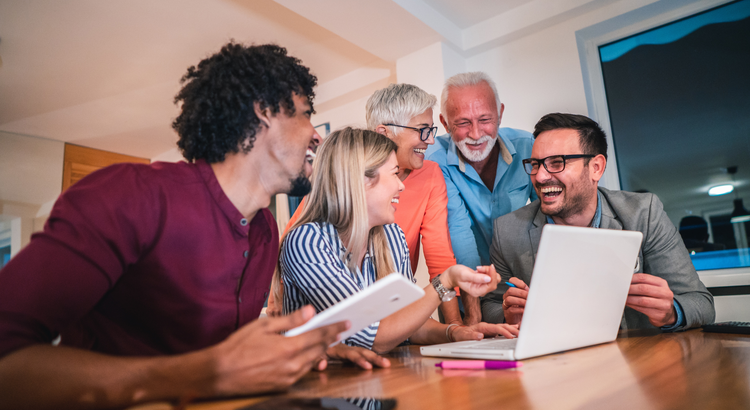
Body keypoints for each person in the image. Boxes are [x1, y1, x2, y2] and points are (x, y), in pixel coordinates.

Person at [0, 43, 350, 409]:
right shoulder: (131, 195)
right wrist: (200, 373)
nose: (317, 135)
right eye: (307, 114)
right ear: (264, 111)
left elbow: (228, 358)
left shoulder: (264, 229)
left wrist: (300, 352)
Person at [276, 127, 519, 355]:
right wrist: (445, 281)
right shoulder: (306, 242)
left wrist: (455, 333)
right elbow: (371, 336)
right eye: (394, 174)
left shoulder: (391, 235)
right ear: (361, 181)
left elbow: (407, 323)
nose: (401, 186)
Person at [484, 113, 715, 330]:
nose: (540, 176)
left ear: (596, 167)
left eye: (556, 163)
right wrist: (508, 315)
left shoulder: (644, 214)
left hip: (637, 360)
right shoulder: (508, 231)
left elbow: (701, 303)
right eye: (535, 164)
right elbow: (490, 306)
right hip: (556, 366)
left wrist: (671, 313)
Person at [270, 83, 468, 325]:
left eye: (431, 130)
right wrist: (277, 299)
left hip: (387, 310)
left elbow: (439, 257)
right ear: (384, 132)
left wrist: (455, 329)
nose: (430, 140)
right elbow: (296, 238)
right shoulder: (337, 186)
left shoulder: (402, 221)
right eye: (422, 130)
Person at [425, 72, 536, 325]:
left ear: (500, 113)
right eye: (463, 123)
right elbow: (459, 234)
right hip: (464, 295)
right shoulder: (435, 160)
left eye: (485, 119)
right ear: (444, 122)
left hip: (517, 287)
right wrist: (473, 320)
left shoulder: (528, 146)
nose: (476, 134)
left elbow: (550, 217)